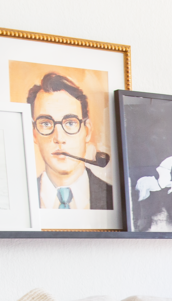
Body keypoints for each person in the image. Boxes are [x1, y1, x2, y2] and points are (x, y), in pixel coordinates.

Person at [26, 72, 112, 210]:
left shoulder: (113, 198)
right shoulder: (20, 198)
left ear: (87, 131)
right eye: (46, 124)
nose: (59, 138)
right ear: (34, 133)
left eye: (70, 123)